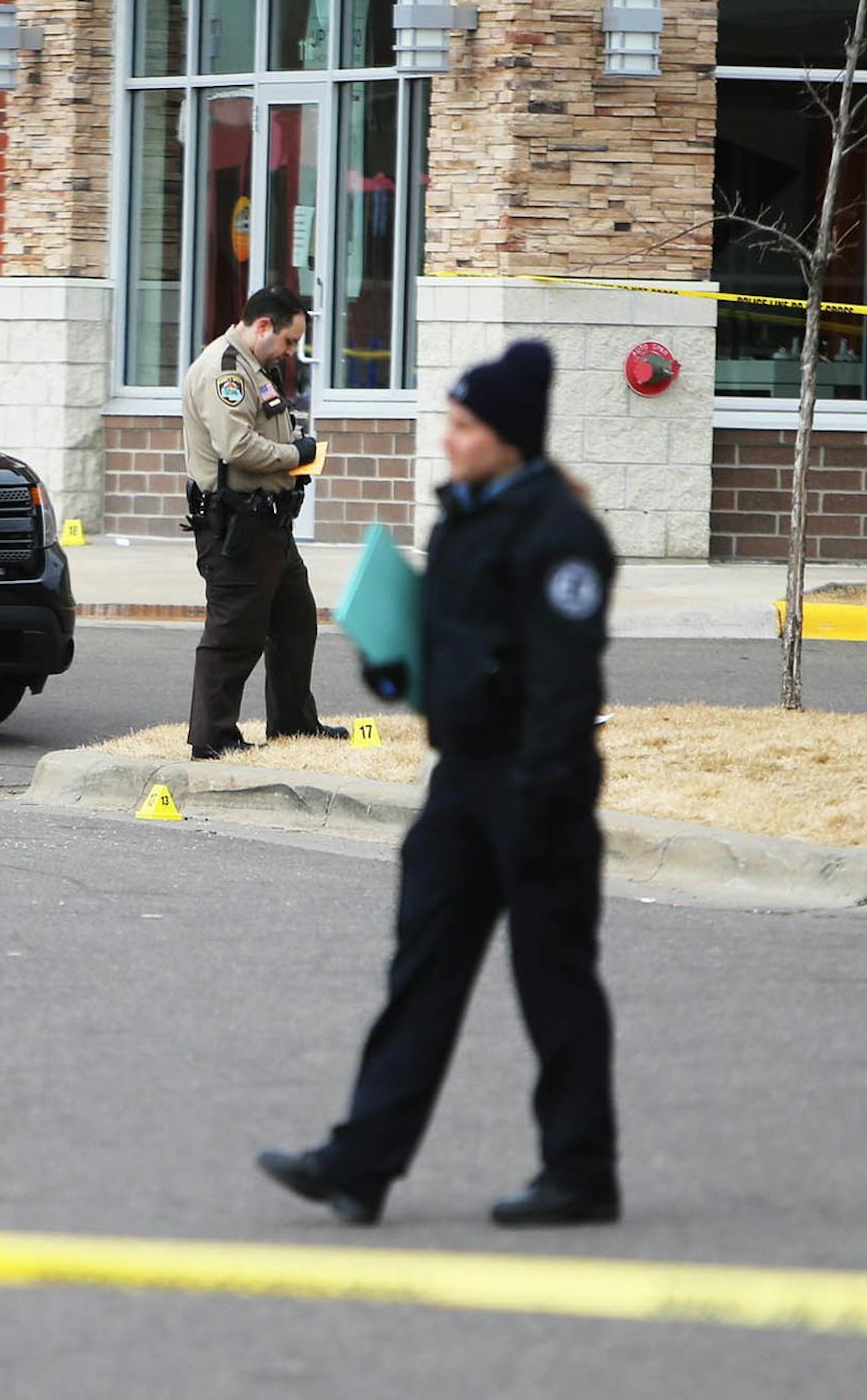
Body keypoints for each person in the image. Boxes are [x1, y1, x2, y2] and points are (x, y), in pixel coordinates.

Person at [257, 339, 621, 1228]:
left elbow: (564, 688)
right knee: (421, 971)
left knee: (554, 982)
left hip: (539, 791)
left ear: (508, 437)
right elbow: (455, 644)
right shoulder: (464, 516)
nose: (449, 440)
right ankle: (359, 1164)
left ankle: (580, 1173)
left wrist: (539, 799)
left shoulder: (562, 535)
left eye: (462, 426)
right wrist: (396, 667)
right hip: (461, 788)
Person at [180, 286, 346, 760]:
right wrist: (297, 455)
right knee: (234, 632)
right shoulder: (225, 371)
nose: (291, 352)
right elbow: (237, 447)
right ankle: (212, 737)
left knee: (296, 622)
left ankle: (294, 723)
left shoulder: (257, 369)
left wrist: (294, 442)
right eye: (290, 342)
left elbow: (265, 429)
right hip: (237, 525)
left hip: (270, 524)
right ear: (263, 326)